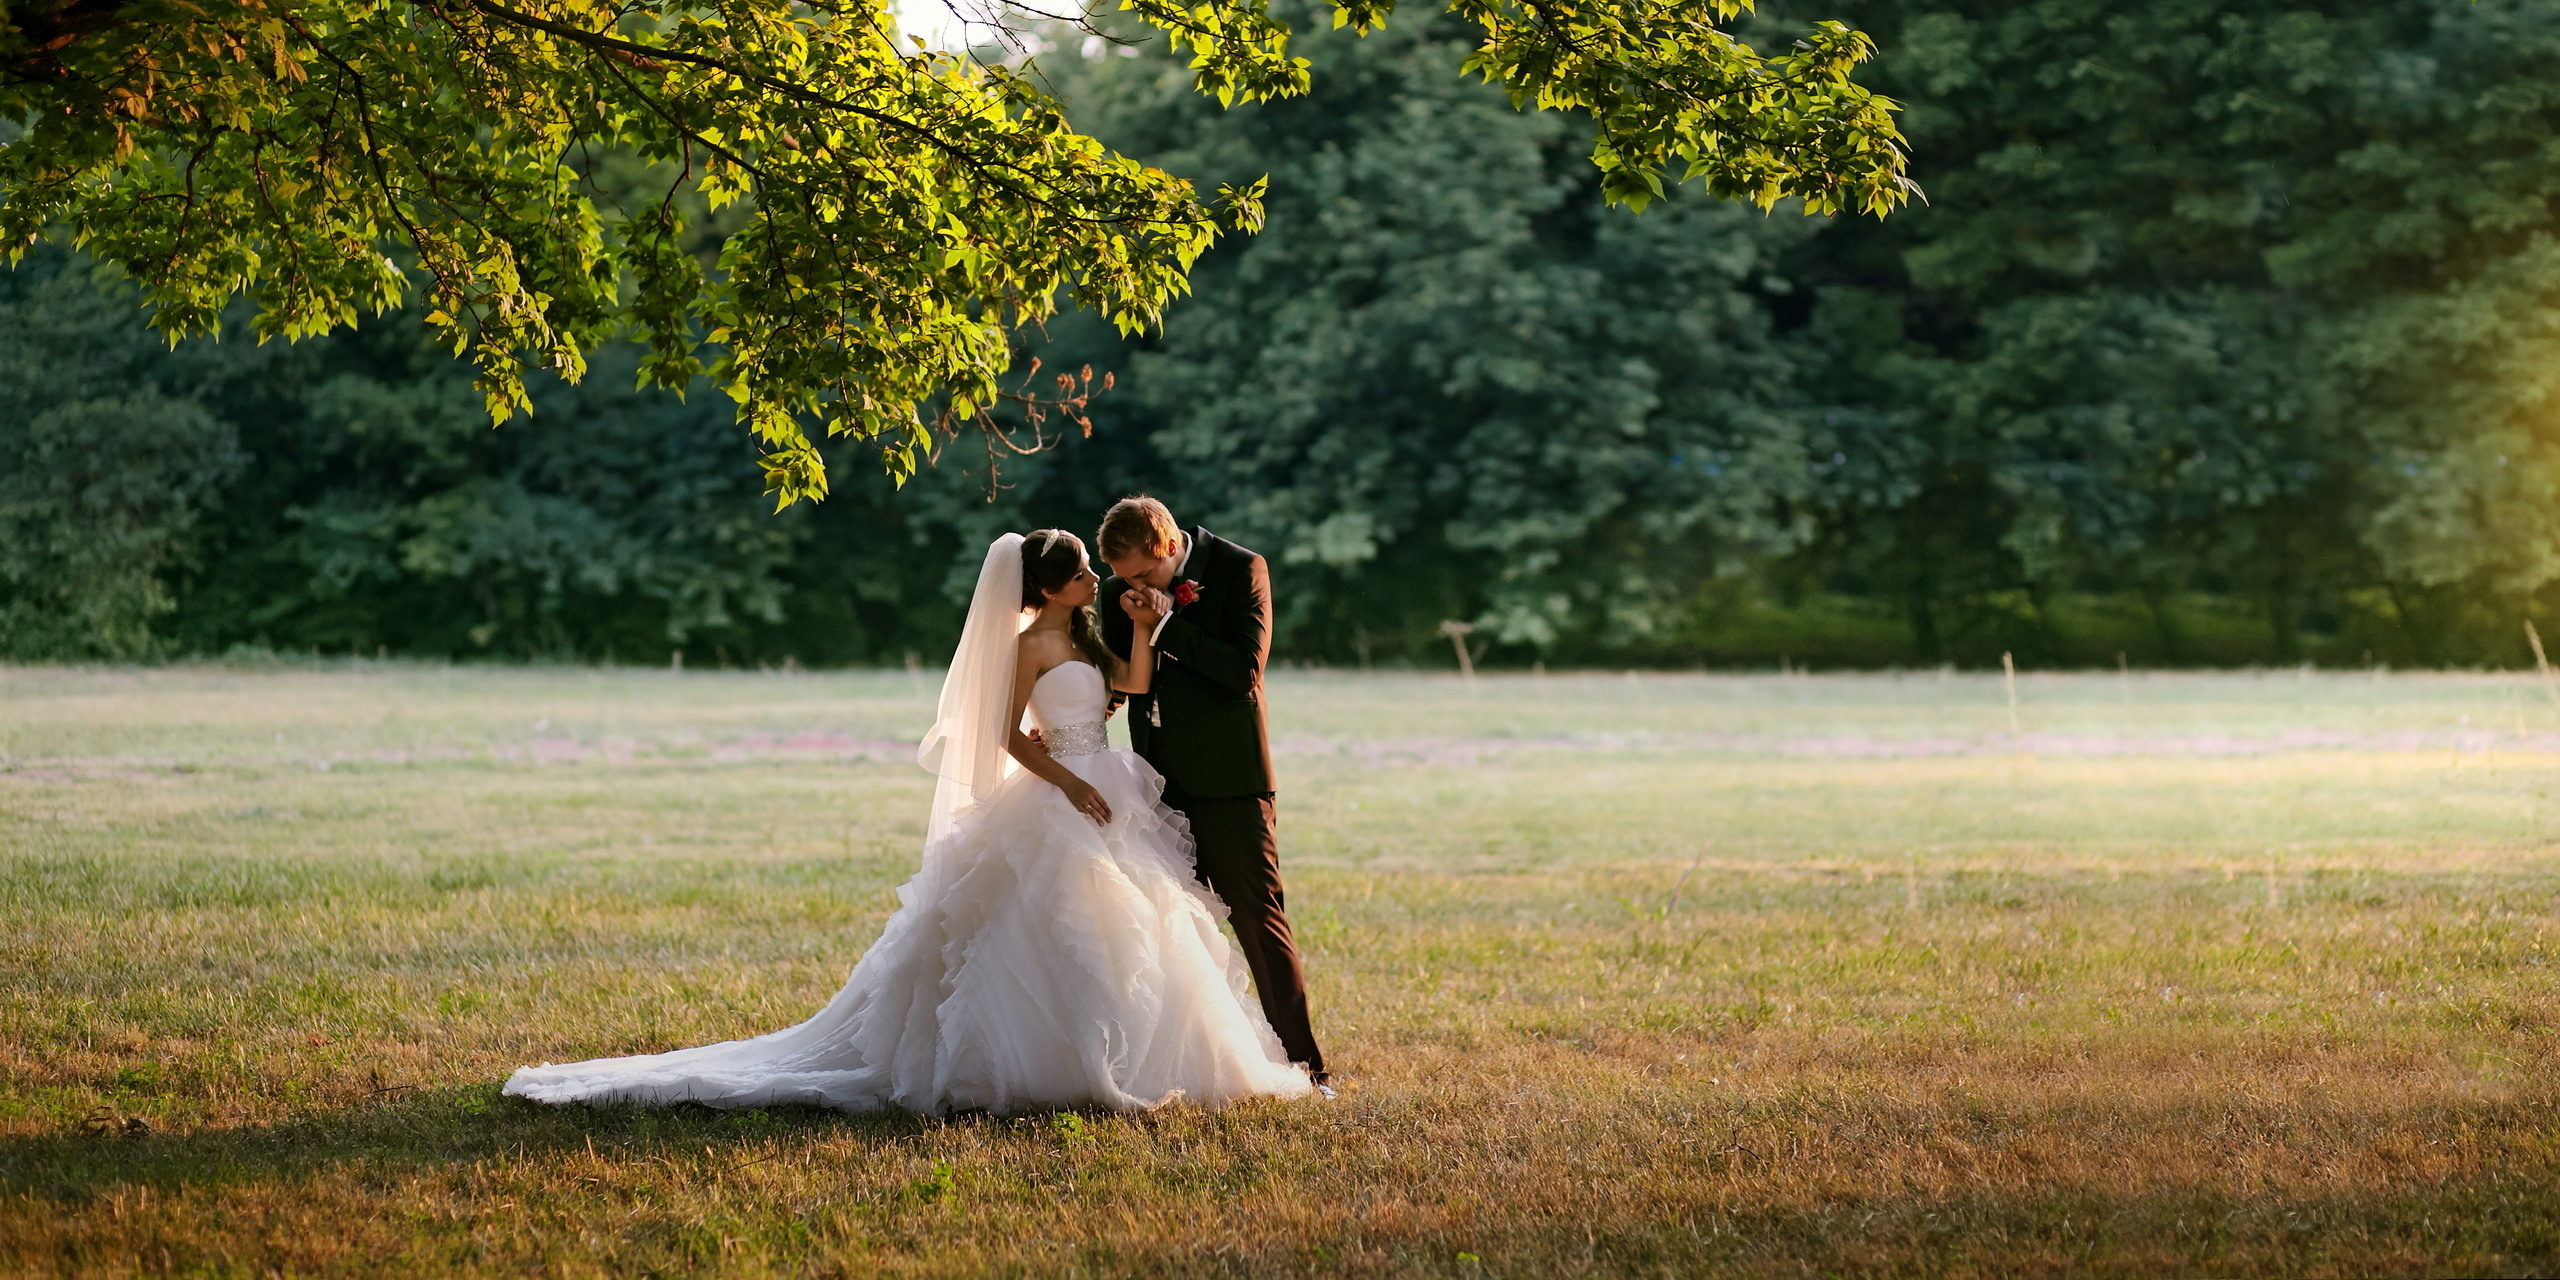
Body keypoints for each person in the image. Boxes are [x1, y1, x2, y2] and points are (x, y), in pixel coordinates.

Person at [503, 531, 1312, 1114]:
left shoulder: (1095, 633)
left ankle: (1155, 1051)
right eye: (1085, 574)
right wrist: (1064, 780)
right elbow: (999, 737)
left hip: (1114, 785)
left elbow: (1133, 684)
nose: (1099, 580)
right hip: (1069, 791)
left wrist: (1145, 621)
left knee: (1142, 922)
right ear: (1053, 584)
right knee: (1051, 925)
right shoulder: (1029, 646)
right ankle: (1042, 1059)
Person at [1094, 496, 1329, 1091]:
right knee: (1158, 926)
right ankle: (1174, 1067)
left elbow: (1241, 671)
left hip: (1230, 783)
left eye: (1143, 575)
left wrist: (1169, 621)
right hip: (1154, 780)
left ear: (1169, 547)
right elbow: (1123, 672)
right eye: (1123, 580)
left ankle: (1304, 1065)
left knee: (1258, 918)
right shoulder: (1118, 588)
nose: (1132, 589)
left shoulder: (1241, 569)